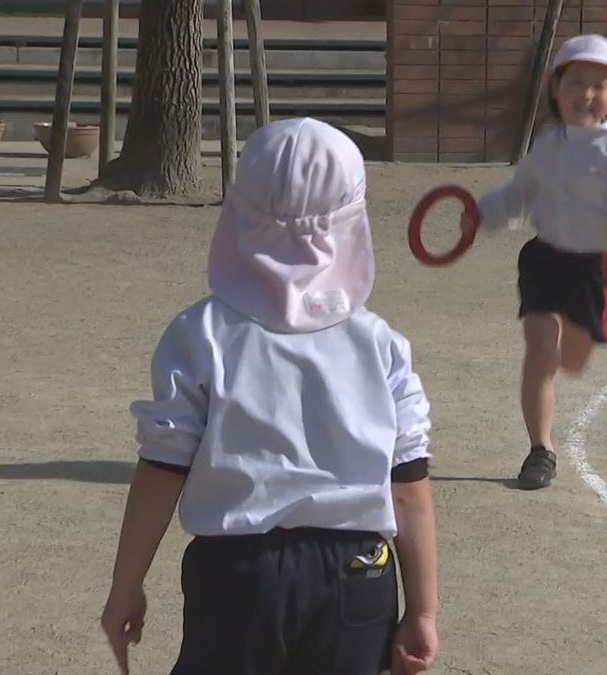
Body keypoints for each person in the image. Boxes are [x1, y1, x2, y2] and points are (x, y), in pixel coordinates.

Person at [100, 118, 440, 675]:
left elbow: (162, 468)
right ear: (352, 219)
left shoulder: (199, 332)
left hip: (235, 573)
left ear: (239, 209)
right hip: (358, 573)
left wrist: (126, 586)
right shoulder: (381, 345)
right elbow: (409, 491)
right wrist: (423, 609)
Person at [475, 33, 607, 490]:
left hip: (596, 270)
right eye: (575, 82)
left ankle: (569, 355)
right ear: (556, 88)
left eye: (599, 85)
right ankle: (541, 449)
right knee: (539, 351)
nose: (586, 94)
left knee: (571, 358)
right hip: (544, 259)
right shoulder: (547, 146)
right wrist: (486, 212)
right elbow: (518, 195)